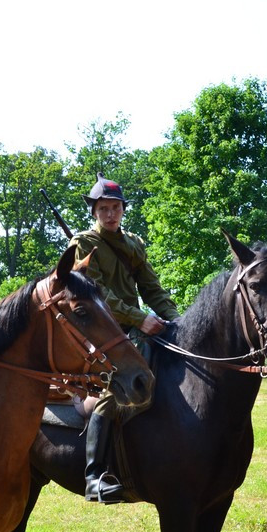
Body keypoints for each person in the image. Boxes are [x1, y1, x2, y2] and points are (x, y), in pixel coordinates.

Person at [69, 173, 180, 503]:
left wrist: (177, 322)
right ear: (94, 212)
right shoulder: (84, 244)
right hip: (99, 328)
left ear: (123, 209)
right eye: (103, 208)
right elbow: (97, 295)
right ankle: (94, 474)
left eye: (115, 207)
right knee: (113, 386)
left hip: (134, 325)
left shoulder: (133, 243)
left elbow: (151, 288)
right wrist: (140, 318)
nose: (110, 214)